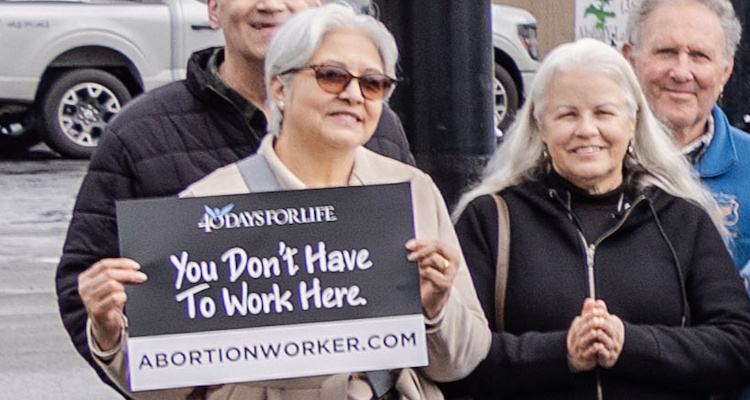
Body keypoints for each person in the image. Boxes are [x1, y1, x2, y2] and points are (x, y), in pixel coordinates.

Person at [79, 4, 490, 400]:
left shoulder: (411, 189)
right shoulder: (208, 205)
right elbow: (168, 385)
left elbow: (460, 362)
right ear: (279, 87)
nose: (353, 94)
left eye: (372, 83)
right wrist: (109, 332)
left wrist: (435, 308)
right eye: (331, 76)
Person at [441, 38, 750, 399]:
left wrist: (630, 344)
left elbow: (738, 344)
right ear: (540, 125)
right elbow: (454, 359)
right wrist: (561, 353)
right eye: (567, 115)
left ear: (633, 121)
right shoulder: (490, 219)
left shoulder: (682, 219)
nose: (586, 129)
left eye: (603, 113)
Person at [622, 0, 750, 291]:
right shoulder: (590, 163)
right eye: (666, 52)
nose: (681, 72)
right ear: (631, 60)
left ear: (726, 69)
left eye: (699, 56)